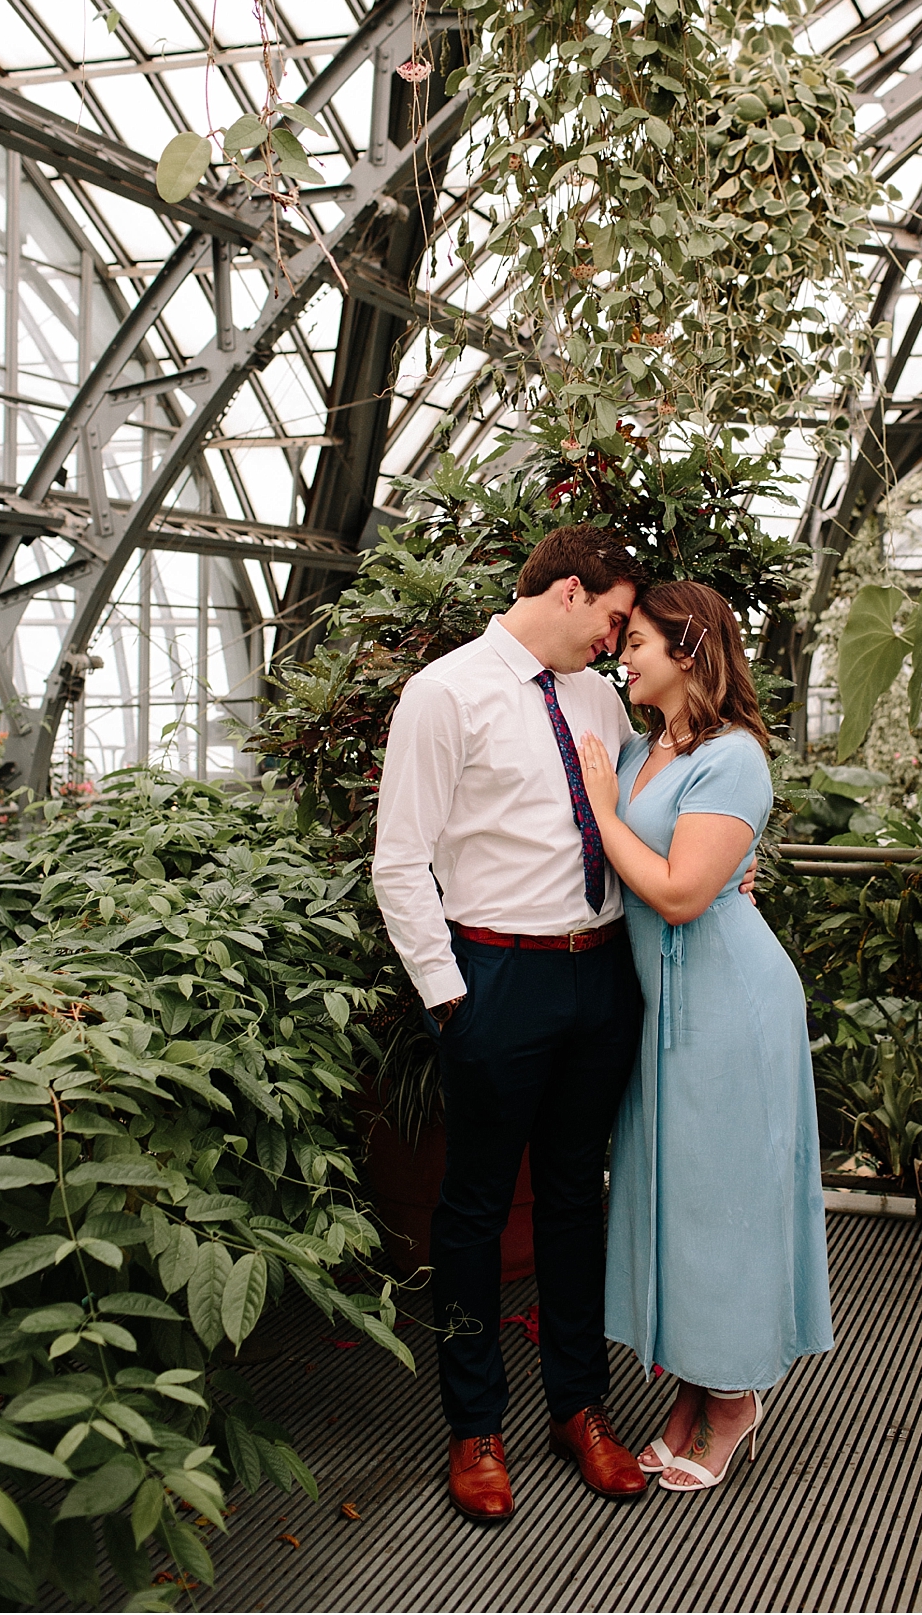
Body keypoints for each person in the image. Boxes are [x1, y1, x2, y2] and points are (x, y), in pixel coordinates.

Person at [372, 524, 653, 1523]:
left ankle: (579, 1409)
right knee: (474, 1212)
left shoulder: (597, 695)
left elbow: (631, 822)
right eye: (614, 618)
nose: (618, 642)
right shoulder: (444, 693)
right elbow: (400, 859)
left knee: (579, 1198)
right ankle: (473, 1424)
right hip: (494, 977)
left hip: (598, 977)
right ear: (571, 592)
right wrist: (450, 996)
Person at [573, 579, 834, 1497]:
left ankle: (734, 1404)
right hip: (667, 1015)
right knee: (677, 1203)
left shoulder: (736, 759)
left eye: (638, 639)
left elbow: (682, 892)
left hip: (730, 1007)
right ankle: (696, 1386)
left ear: (688, 650)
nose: (624, 653)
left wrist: (605, 815)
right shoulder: (644, 746)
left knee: (724, 1204)